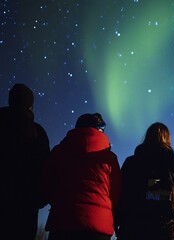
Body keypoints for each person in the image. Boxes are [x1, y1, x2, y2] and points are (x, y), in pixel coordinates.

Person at [42, 113, 121, 240]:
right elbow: (115, 193)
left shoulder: (59, 151)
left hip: (62, 222)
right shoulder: (110, 158)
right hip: (98, 225)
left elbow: (47, 184)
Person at [115, 122, 174, 240]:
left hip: (134, 226)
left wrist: (119, 220)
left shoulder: (131, 163)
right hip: (169, 227)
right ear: (167, 138)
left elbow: (121, 194)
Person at [0, 83, 50, 239]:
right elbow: (45, 169)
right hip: (26, 207)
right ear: (30, 105)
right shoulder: (37, 132)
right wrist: (40, 199)